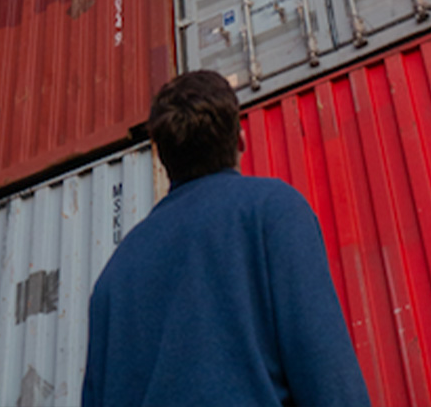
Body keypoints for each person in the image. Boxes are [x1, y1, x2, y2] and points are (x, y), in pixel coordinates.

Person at [82, 70, 370, 407]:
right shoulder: (273, 211)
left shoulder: (112, 280)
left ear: (163, 161)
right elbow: (330, 381)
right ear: (240, 141)